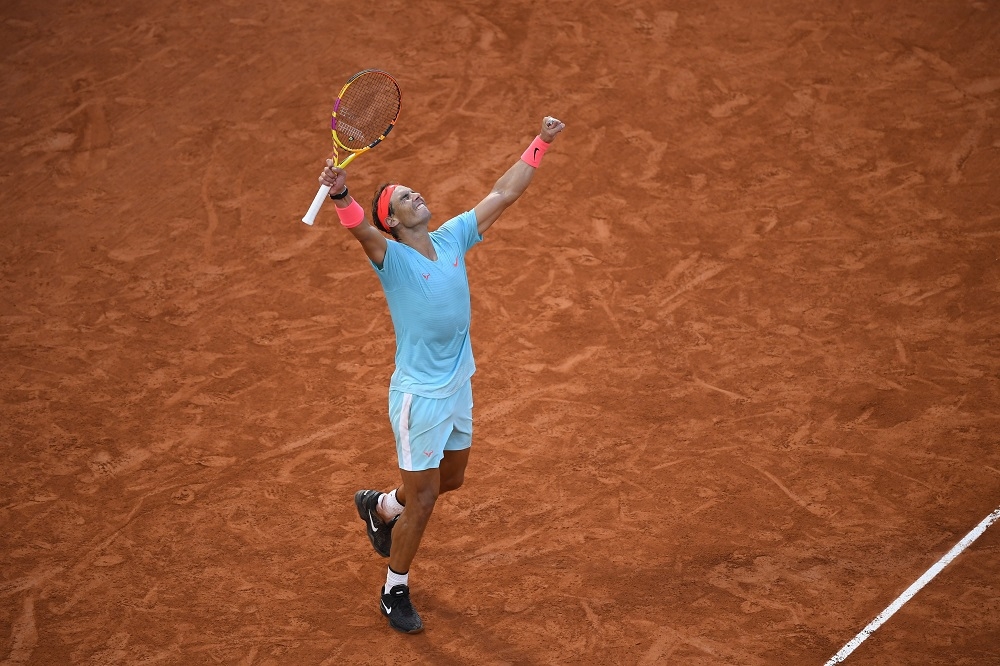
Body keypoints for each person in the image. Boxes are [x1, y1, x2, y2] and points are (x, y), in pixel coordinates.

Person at [317, 116, 565, 634]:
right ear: (393, 219)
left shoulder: (452, 237)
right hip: (420, 400)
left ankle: (381, 507)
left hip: (457, 385)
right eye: (405, 197)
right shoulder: (393, 258)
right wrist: (342, 196)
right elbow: (361, 231)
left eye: (414, 191)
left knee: (450, 479)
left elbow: (503, 192)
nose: (417, 196)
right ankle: (394, 589)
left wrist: (540, 142)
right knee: (425, 499)